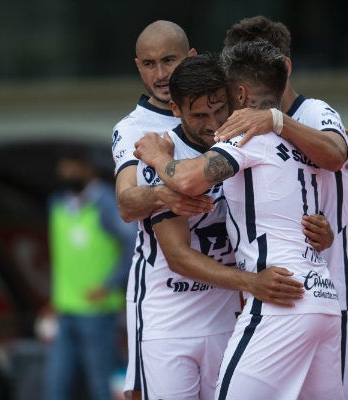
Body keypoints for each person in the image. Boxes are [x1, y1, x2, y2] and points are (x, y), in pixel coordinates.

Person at [135, 40, 343, 399]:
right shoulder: (302, 141)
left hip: (281, 299)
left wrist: (155, 157)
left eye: (224, 100)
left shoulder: (244, 136)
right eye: (201, 114)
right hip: (323, 298)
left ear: (241, 94)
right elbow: (336, 157)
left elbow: (186, 179)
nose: (217, 121)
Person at [214, 16, 348, 400]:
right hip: (277, 295)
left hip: (331, 288)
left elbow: (335, 154)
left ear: (283, 67)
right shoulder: (242, 127)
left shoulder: (312, 112)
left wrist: (277, 121)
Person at [111, 20, 214, 400]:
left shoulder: (219, 112)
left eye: (169, 60)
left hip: (226, 298)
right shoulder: (134, 128)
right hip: (165, 295)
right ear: (138, 66)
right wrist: (164, 196)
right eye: (150, 64)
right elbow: (125, 202)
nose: (160, 74)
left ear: (191, 58)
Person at [43, 149, 136, 400]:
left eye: (71, 165)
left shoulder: (106, 203)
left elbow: (133, 244)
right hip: (66, 307)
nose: (65, 173)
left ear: (88, 168)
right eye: (62, 166)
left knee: (100, 385)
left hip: (98, 310)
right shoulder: (58, 204)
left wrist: (111, 283)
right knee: (55, 385)